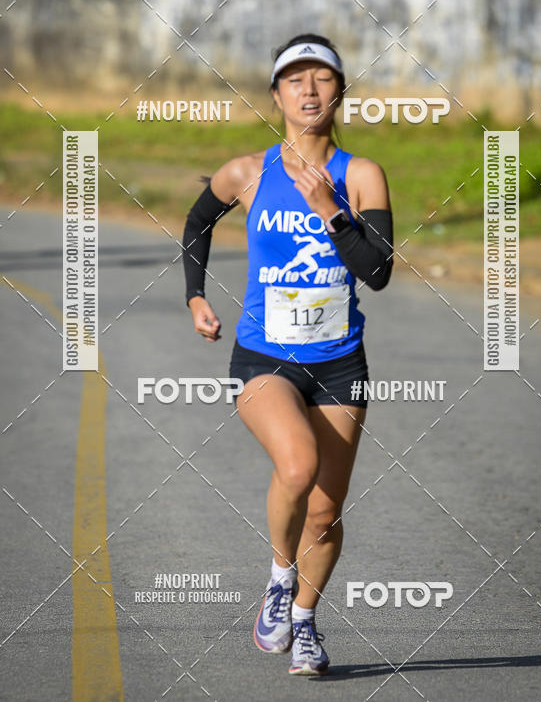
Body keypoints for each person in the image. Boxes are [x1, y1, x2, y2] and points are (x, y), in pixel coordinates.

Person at [182, 33, 393, 676]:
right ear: (275, 95)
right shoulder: (248, 172)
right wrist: (195, 295)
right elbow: (196, 222)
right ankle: (281, 576)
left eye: (321, 78)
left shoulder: (360, 175)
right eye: (295, 80)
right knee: (298, 466)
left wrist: (330, 209)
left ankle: (303, 621)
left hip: (340, 363)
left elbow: (378, 271)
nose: (308, 90)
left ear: (339, 92)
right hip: (263, 357)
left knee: (325, 512)